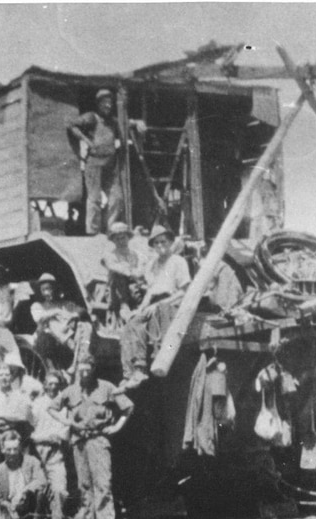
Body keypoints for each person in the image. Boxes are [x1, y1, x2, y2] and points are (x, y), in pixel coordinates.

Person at [48, 355, 132, 519]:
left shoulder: (106, 387)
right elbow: (52, 408)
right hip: (79, 442)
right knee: (84, 487)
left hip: (98, 440)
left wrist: (116, 427)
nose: (84, 373)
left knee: (102, 484)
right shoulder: (71, 391)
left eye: (88, 369)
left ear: (94, 369)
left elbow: (128, 407)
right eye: (81, 370)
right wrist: (69, 422)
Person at [119, 225, 191, 388]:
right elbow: (150, 291)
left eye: (163, 241)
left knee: (156, 320)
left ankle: (158, 358)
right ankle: (136, 370)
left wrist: (159, 304)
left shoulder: (178, 262)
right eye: (156, 243)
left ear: (171, 242)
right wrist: (140, 309)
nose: (160, 246)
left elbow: (184, 291)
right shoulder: (153, 265)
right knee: (133, 324)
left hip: (170, 303)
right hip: (153, 303)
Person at [67, 89, 124, 235]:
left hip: (110, 164)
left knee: (117, 197)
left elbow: (126, 123)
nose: (108, 106)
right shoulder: (91, 117)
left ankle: (111, 229)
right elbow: (71, 125)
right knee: (94, 198)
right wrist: (86, 140)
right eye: (105, 103)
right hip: (94, 162)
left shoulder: (112, 121)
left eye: (110, 103)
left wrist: (137, 123)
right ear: (98, 104)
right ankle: (93, 232)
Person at [31, 371, 70, 519]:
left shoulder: (64, 405)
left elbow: (65, 430)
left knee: (59, 489)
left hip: (56, 452)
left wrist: (56, 438)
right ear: (45, 385)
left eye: (56, 384)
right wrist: (43, 438)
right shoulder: (37, 404)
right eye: (50, 384)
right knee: (38, 488)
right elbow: (31, 430)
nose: (53, 387)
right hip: (37, 451)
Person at [0, 430, 47, 519]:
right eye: (8, 450)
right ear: (2, 450)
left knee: (40, 492)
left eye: (15, 449)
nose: (12, 453)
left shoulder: (31, 462)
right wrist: (7, 504)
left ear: (20, 448)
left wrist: (25, 490)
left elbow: (42, 481)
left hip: (30, 508)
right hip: (9, 510)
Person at [31, 273, 83, 371]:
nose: (47, 293)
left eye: (49, 289)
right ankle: (69, 342)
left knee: (83, 324)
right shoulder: (37, 306)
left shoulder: (65, 304)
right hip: (45, 340)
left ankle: (81, 358)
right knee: (51, 323)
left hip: (65, 338)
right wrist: (56, 312)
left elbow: (81, 310)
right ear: (40, 291)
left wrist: (74, 316)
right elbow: (39, 318)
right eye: (43, 290)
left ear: (54, 289)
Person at [0, 362, 34, 458]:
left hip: (15, 440)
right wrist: (11, 419)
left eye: (7, 374)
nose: (4, 378)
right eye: (1, 375)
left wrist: (1, 416)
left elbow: (24, 417)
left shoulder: (21, 396)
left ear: (12, 377)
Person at [101, 222, 145, 320]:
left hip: (133, 286)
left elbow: (143, 266)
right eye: (117, 239)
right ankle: (124, 306)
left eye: (123, 238)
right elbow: (113, 266)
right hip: (116, 291)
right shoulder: (110, 255)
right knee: (118, 275)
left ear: (128, 238)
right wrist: (129, 271)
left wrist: (139, 272)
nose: (121, 241)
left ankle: (140, 307)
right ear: (113, 240)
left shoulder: (134, 254)